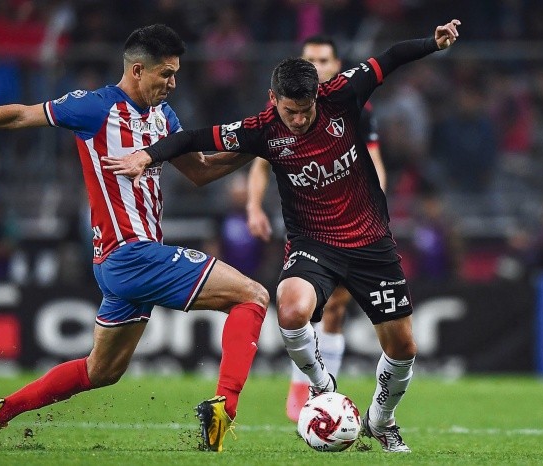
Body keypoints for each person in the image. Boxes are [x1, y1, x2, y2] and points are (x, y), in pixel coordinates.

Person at [0, 24, 268, 453]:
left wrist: (260, 143)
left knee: (101, 371)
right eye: (165, 74)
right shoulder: (94, 107)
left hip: (120, 264)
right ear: (137, 70)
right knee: (253, 296)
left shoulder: (165, 117)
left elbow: (201, 171)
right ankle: (225, 409)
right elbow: (22, 114)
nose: (172, 83)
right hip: (132, 254)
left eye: (176, 74)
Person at [103, 19, 462, 453]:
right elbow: (193, 138)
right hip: (313, 244)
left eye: (305, 110)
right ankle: (322, 385)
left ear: (317, 96)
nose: (298, 119)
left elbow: (391, 57)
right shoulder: (263, 128)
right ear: (274, 99)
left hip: (371, 243)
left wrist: (433, 43)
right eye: (290, 111)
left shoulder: (344, 93)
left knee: (403, 347)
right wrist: (147, 155)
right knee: (290, 310)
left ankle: (381, 420)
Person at [246, 34, 388, 422]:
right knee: (302, 306)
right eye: (310, 60)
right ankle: (305, 384)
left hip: (349, 221)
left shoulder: (355, 106)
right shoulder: (282, 110)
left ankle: (321, 393)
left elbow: (375, 162)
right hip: (303, 224)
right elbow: (260, 164)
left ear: (337, 65)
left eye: (324, 60)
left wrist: (372, 209)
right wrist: (253, 206)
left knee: (336, 307)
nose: (317, 66)